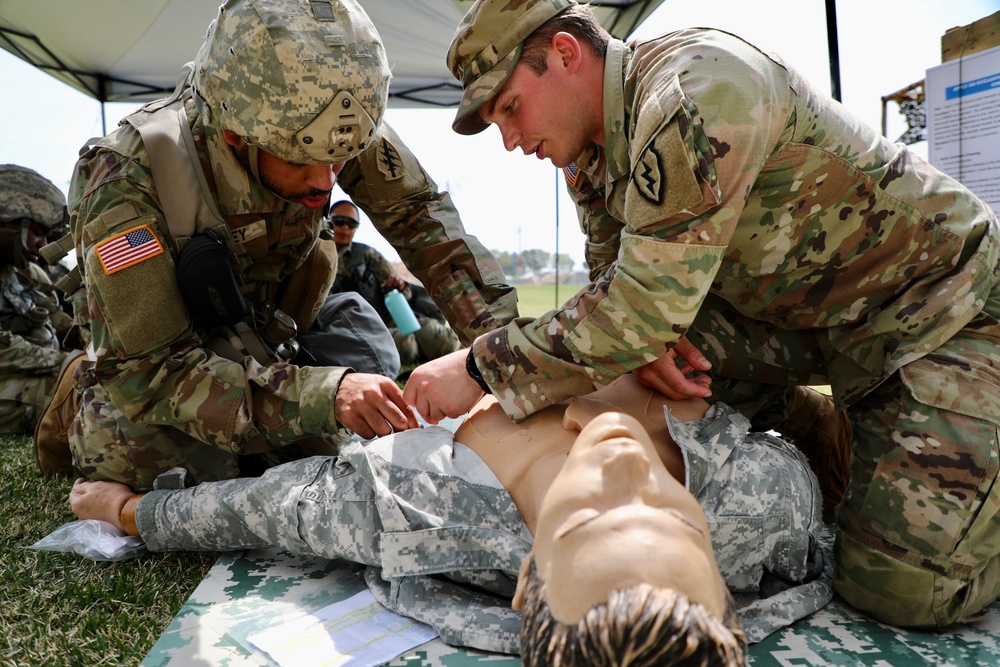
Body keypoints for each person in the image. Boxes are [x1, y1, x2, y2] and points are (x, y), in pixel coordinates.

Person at [403, 0, 1000, 629]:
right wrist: (647, 342)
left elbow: (638, 310)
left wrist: (480, 365)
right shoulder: (598, 153)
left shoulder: (695, 90)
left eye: (510, 108)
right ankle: (823, 427)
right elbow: (616, 293)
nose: (512, 141)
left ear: (564, 54)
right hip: (825, 323)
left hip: (938, 311)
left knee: (902, 593)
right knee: (643, 366)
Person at [60, 0, 517, 491]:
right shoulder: (128, 178)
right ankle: (68, 392)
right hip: (173, 370)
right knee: (154, 459)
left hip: (278, 342)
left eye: (340, 159)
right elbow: (148, 374)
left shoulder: (331, 122)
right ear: (235, 137)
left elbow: (422, 222)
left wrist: (507, 352)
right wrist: (326, 395)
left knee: (364, 371)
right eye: (300, 162)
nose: (325, 181)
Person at [70, 374, 830, 659]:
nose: (631, 468)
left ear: (529, 578)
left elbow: (263, 508)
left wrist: (132, 509)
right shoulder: (768, 501)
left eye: (590, 518)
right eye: (679, 519)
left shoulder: (410, 507)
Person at [327, 198, 462, 366]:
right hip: (348, 328)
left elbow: (399, 290)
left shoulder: (367, 254)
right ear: (328, 222)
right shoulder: (316, 254)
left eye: (352, 223)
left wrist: (400, 287)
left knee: (445, 340)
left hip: (385, 321)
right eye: (339, 221)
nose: (345, 227)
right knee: (407, 346)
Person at [0, 164, 81, 439]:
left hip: (31, 372)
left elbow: (61, 325)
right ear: (7, 221)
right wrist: (72, 364)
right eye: (35, 231)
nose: (42, 243)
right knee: (66, 396)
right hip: (11, 378)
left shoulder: (30, 274)